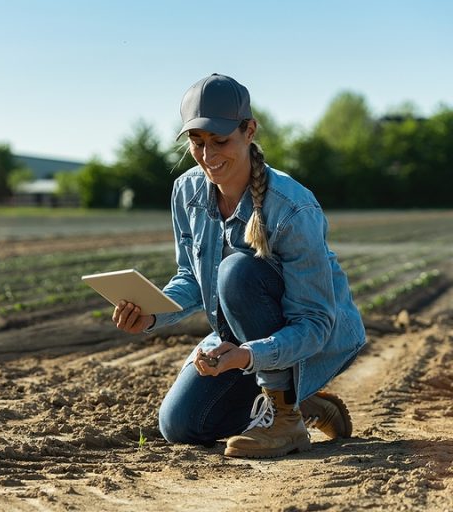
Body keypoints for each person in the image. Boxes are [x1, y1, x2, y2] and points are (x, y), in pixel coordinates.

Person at [112, 73, 366, 459]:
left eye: (220, 141)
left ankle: (285, 415)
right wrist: (151, 314)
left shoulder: (292, 208)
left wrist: (247, 355)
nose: (208, 156)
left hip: (314, 338)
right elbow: (192, 279)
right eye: (197, 143)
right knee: (180, 425)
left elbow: (315, 322)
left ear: (249, 130)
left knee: (236, 272)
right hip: (241, 336)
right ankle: (305, 403)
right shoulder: (186, 191)